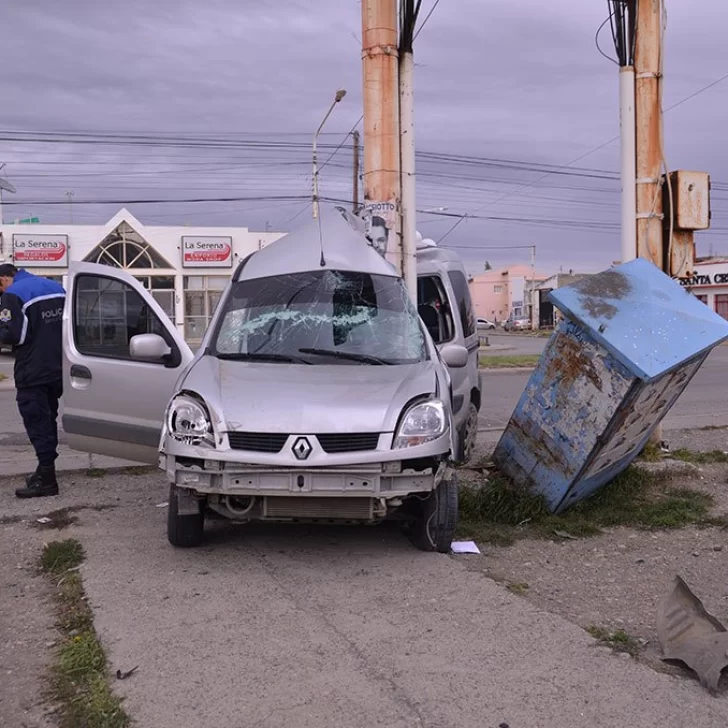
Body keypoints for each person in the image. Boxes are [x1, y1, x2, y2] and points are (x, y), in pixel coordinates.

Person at [0, 264, 66, 498]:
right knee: (48, 418)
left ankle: (47, 481)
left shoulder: (13, 294)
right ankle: (44, 471)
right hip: (57, 367)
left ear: (3, 280)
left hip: (32, 370)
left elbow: (12, 335)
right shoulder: (56, 287)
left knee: (37, 423)